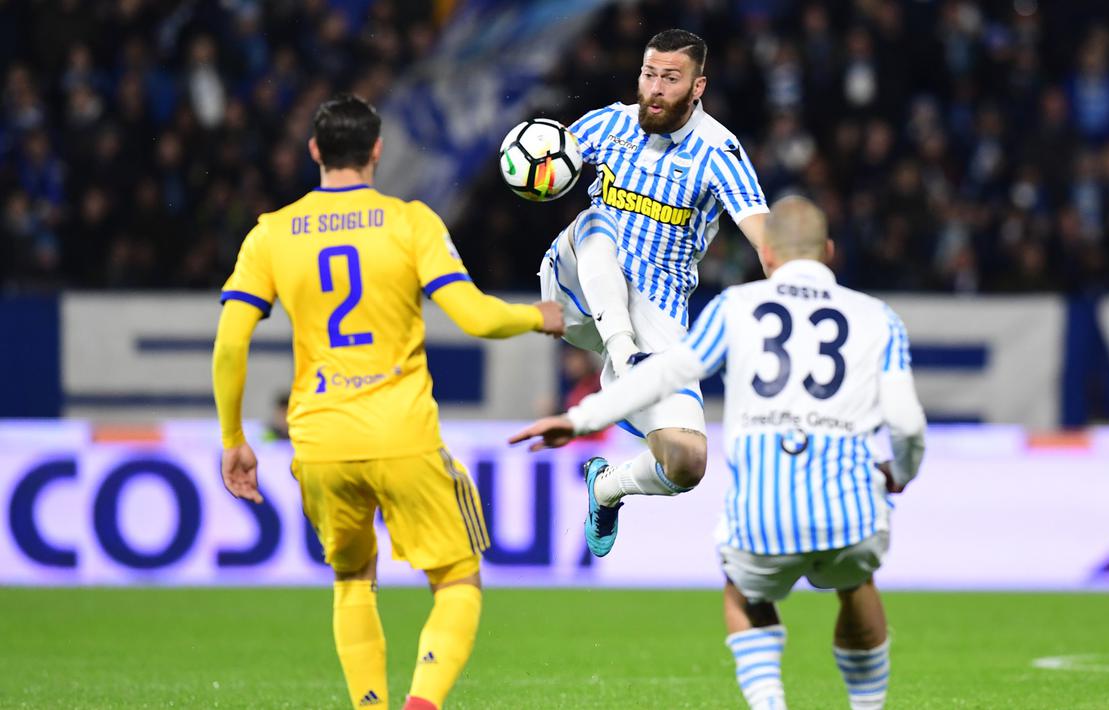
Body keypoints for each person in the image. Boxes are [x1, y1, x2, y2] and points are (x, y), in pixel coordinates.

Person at [211, 93, 563, 710]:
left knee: (351, 578)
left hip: (319, 440)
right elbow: (475, 318)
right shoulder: (409, 223)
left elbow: (229, 345)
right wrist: (539, 316)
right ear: (377, 150)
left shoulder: (270, 233)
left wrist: (233, 439)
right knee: (457, 579)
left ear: (316, 150)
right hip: (403, 433)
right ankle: (421, 703)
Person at [513, 196, 926, 710]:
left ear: (767, 254)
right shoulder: (878, 318)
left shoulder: (737, 308)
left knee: (745, 593)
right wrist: (899, 472)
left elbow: (664, 372)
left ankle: (770, 704)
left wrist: (579, 419)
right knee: (856, 585)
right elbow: (908, 423)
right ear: (830, 252)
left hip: (762, 516)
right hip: (851, 510)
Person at [541, 28, 769, 556]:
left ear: (698, 87)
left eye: (671, 79)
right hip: (577, 286)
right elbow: (548, 161)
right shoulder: (609, 122)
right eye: (650, 75)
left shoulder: (719, 151)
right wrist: (535, 167)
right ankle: (624, 359)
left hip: (655, 314)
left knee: (687, 462)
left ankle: (605, 488)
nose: (656, 89)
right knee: (599, 223)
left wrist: (795, 281)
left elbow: (763, 235)